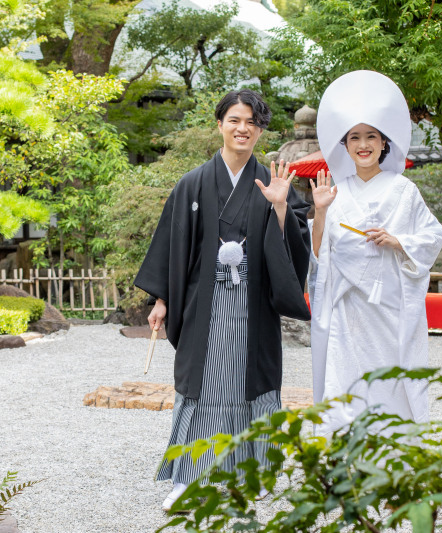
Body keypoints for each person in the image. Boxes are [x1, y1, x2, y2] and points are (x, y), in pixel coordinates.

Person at [134, 89, 312, 511]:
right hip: (203, 302)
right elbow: (171, 245)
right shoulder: (193, 182)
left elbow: (298, 243)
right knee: (202, 385)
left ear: (260, 130)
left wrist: (283, 208)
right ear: (220, 124)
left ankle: (259, 472)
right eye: (235, 119)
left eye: (252, 122)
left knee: (254, 385)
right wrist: (162, 299)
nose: (243, 128)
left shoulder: (273, 181)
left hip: (253, 304)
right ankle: (188, 476)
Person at [308, 70, 442, 436]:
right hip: (348, 309)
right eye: (355, 137)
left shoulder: (403, 190)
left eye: (371, 136)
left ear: (384, 143)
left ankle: (394, 463)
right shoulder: (335, 193)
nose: (363, 144)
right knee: (346, 383)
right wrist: (320, 211)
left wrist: (398, 240)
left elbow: (433, 235)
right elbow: (320, 252)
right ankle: (348, 465)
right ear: (345, 145)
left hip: (388, 307)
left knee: (390, 384)